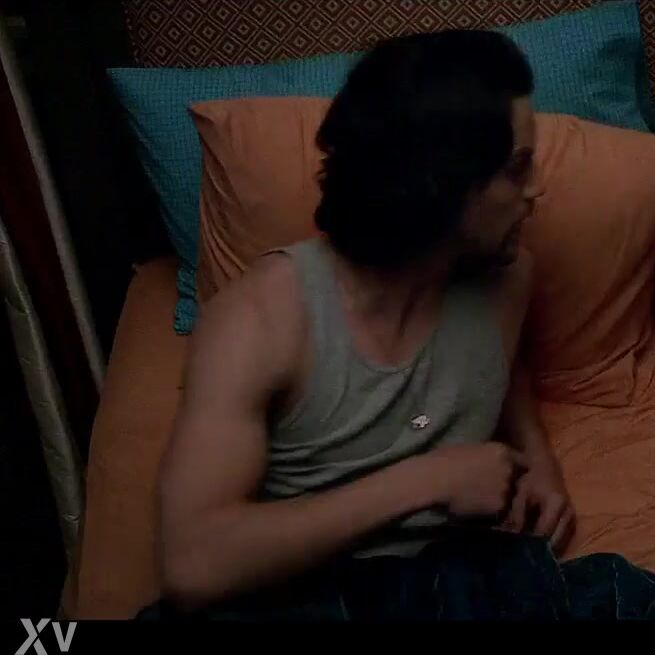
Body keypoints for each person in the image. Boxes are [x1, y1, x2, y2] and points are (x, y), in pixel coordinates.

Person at [149, 30, 575, 616]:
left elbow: (500, 365)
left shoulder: (508, 280)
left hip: (447, 590)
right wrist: (425, 481)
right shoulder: (262, 318)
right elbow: (192, 564)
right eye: (517, 169)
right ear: (442, 186)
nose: (537, 189)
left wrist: (539, 462)